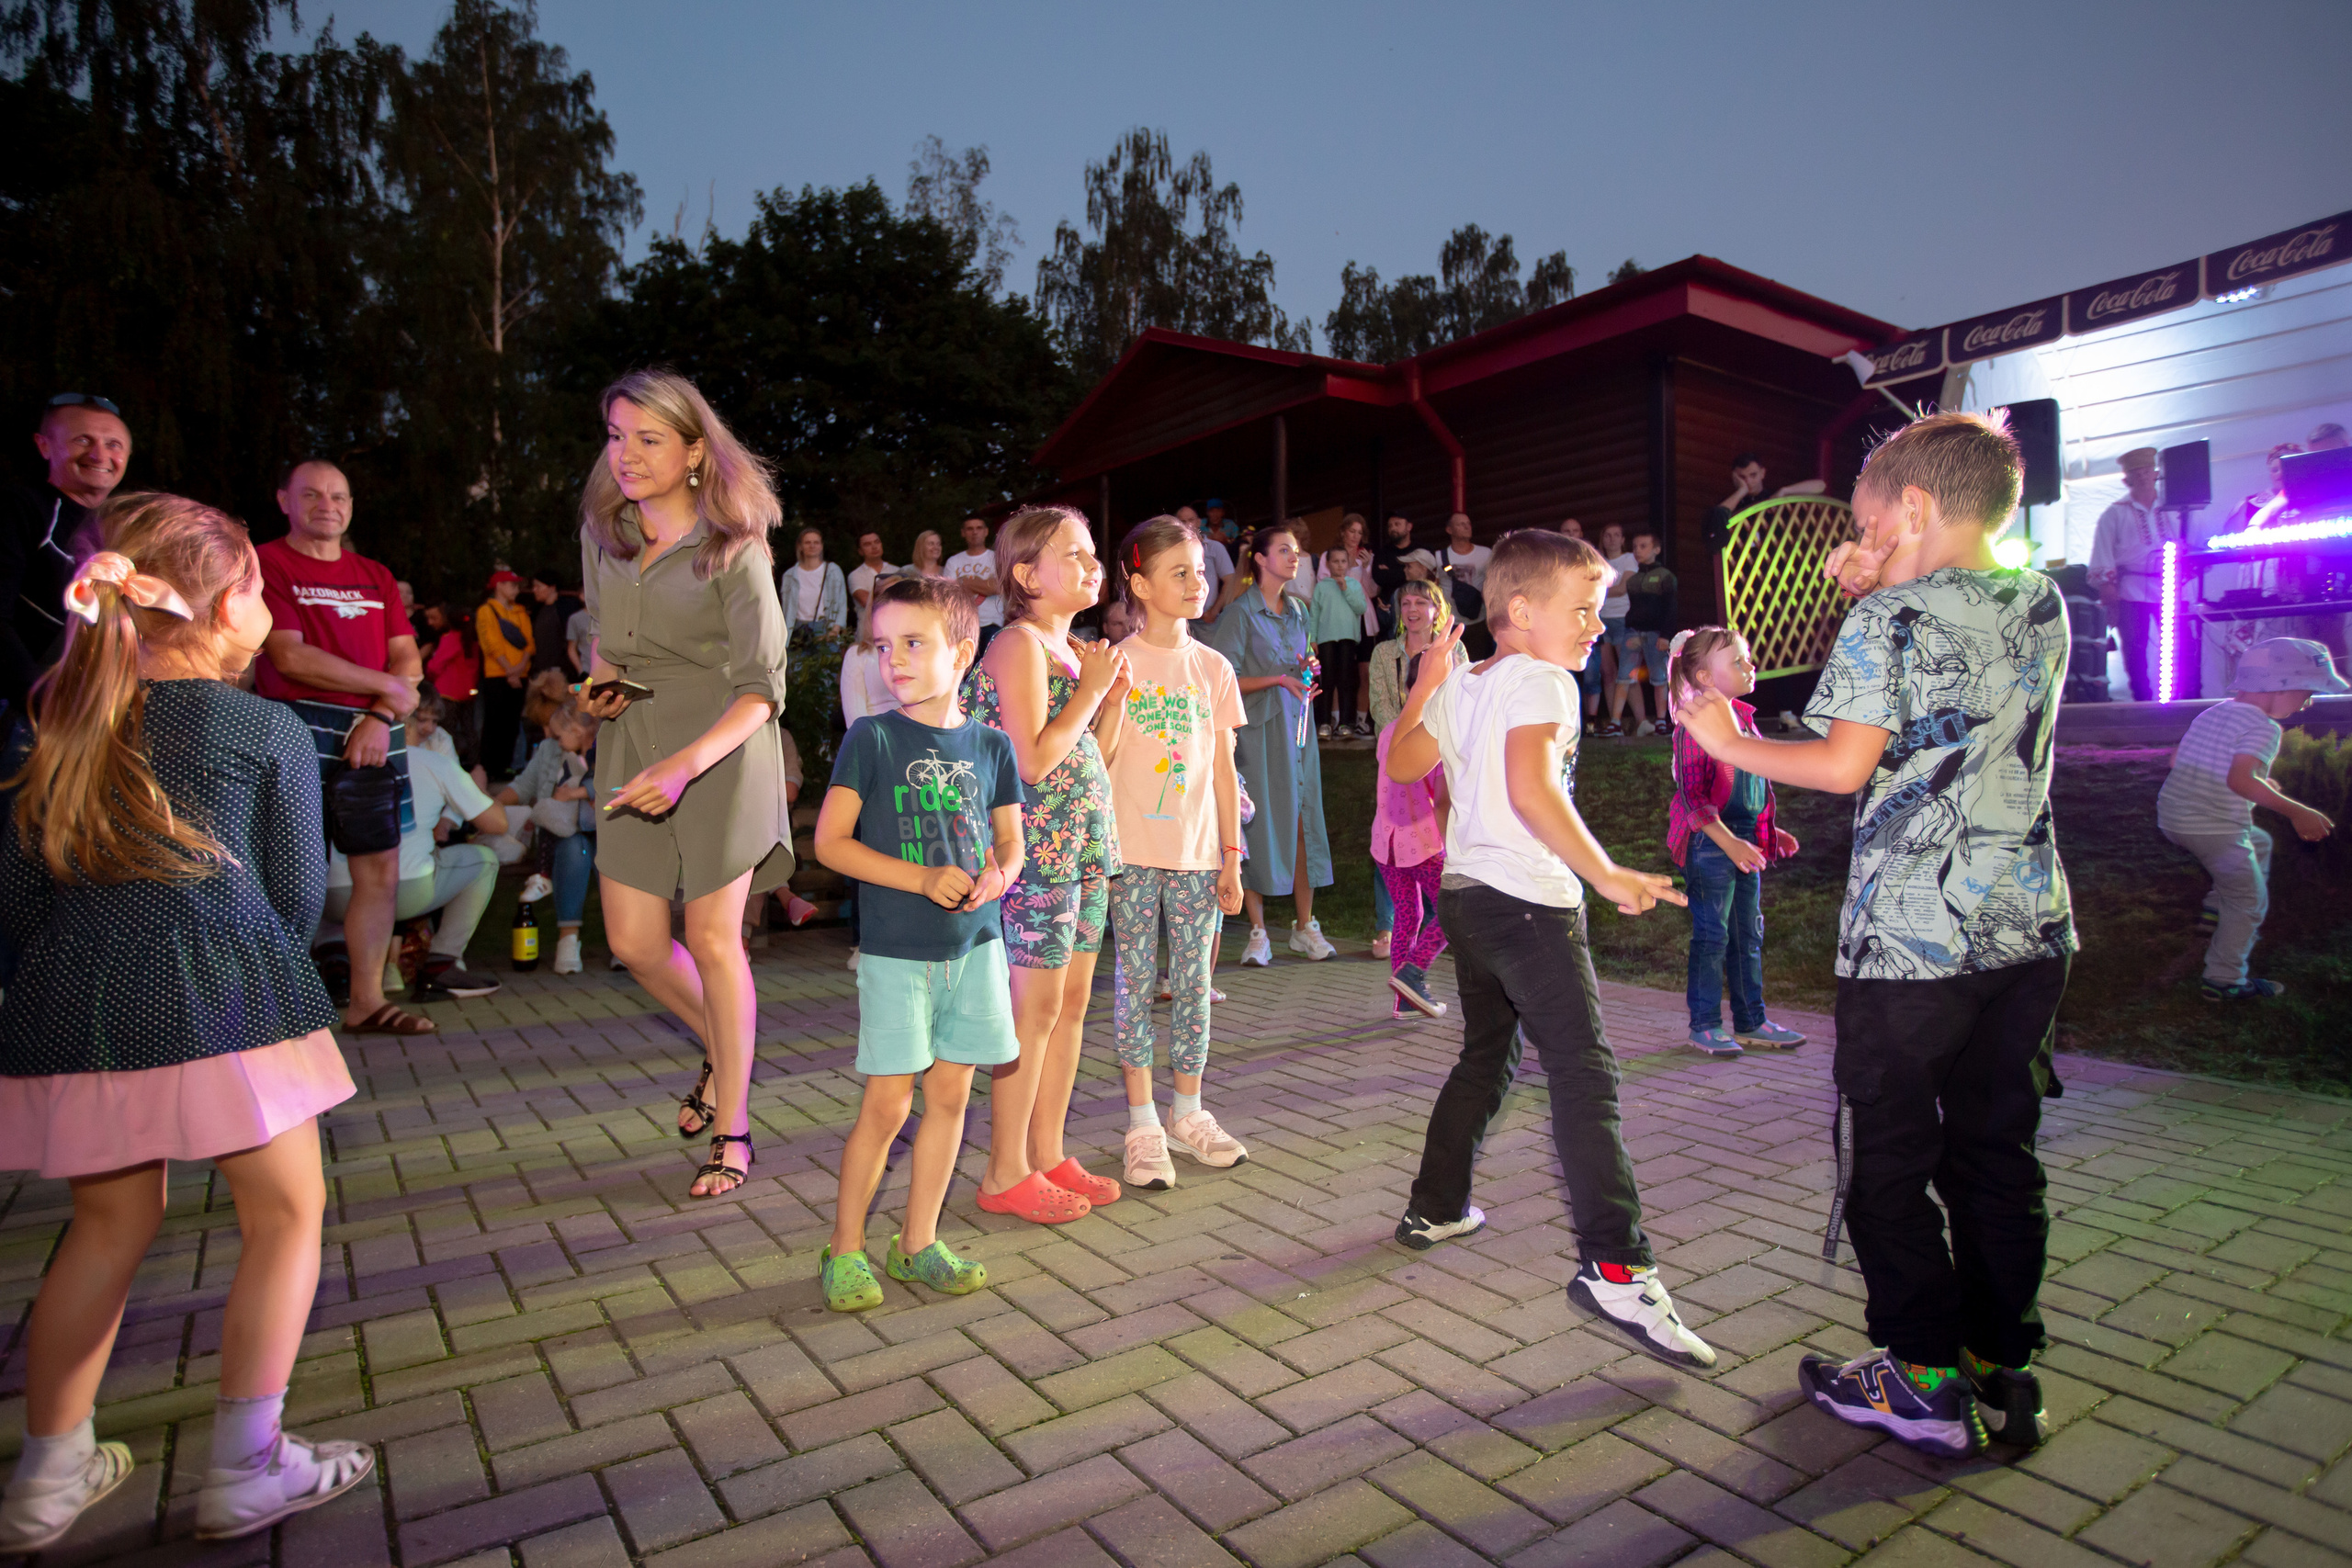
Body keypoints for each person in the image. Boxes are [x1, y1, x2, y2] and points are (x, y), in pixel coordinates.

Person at [1681, 409, 2075, 1459]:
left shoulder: (1885, 623)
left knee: (1888, 1161)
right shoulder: (2041, 601)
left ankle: (1924, 1377)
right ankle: (2003, 1365)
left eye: (1865, 518)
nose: (1850, 542)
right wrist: (1881, 581)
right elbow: (1951, 658)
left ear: (1912, 506)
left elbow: (1844, 764)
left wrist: (1731, 737)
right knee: (1997, 1154)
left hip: (1912, 943)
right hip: (2029, 930)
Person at [0, 499, 372, 1550]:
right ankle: (246, 1468)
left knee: (106, 1228)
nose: (264, 602)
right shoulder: (260, 727)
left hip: (79, 1004)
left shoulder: (61, 724)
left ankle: (45, 1481)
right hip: (228, 994)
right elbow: (299, 898)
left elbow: (19, 903)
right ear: (211, 608)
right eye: (253, 585)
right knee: (287, 1216)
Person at [1384, 529, 1713, 1371]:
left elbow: (1403, 756)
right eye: (1583, 609)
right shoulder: (1543, 680)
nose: (1597, 625)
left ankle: (1435, 1206)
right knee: (1585, 1072)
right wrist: (1603, 873)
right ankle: (1616, 1265)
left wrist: (1427, 686)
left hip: (1468, 902)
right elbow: (1532, 788)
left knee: (1489, 1054)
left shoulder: (1472, 681)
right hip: (1528, 904)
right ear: (1520, 611)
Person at [579, 369, 794, 1200]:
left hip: (721, 753)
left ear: (695, 451)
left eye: (647, 439)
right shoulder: (607, 537)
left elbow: (764, 689)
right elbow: (607, 643)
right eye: (615, 436)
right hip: (633, 746)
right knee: (633, 940)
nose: (625, 455)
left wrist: (684, 765)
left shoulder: (734, 550)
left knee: (712, 938)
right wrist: (594, 692)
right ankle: (725, 1043)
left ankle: (734, 1133)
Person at [813, 575, 1023, 1307]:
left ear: (963, 652)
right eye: (881, 646)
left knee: (951, 1097)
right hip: (898, 955)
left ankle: (917, 1242)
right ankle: (844, 1250)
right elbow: (831, 843)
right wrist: (919, 877)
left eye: (912, 643)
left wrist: (999, 874)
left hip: (976, 949)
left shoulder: (992, 746)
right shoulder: (871, 738)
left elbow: (1010, 845)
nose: (892, 660)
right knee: (887, 1105)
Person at [965, 505, 1128, 1224]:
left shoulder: (1073, 651)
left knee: (1069, 1006)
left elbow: (1095, 758)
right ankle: (1004, 1171)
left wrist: (1109, 702)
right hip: (1036, 856)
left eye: (1094, 553)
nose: (1094, 565)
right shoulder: (1017, 646)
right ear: (1027, 574)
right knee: (1032, 1012)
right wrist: (1091, 693)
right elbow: (1031, 759)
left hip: (1082, 848)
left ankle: (1048, 1151)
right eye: (1076, 553)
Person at [1096, 516, 1248, 1191]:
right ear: (1140, 584)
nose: (1197, 582)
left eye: (1200, 570)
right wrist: (1108, 700)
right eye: (1179, 572)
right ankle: (1142, 1123)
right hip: (1129, 856)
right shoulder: (1114, 661)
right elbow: (1093, 760)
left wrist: (1232, 857)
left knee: (1193, 987)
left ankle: (1188, 1111)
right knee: (1133, 983)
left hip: (1197, 858)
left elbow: (1222, 772)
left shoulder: (1213, 667)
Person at [254, 460, 431, 1036]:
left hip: (376, 727)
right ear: (284, 499)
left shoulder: (374, 574)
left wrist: (380, 714)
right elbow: (288, 656)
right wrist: (385, 687)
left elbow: (409, 660)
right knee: (289, 869)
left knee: (379, 867)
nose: (327, 504)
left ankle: (366, 1001)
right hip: (295, 722)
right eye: (311, 494)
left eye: (339, 495)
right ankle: (272, 1011)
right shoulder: (265, 562)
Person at [2156, 637, 2341, 1000]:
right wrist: (2298, 811)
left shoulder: (2214, 712)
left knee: (2260, 842)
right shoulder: (2264, 728)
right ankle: (2224, 981)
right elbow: (2239, 779)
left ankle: (2214, 909)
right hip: (2213, 828)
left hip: (2174, 817)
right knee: (2249, 903)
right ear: (2279, 687)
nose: (2307, 703)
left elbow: (2179, 761)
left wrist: (2256, 780)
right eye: (2307, 692)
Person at [1663, 627, 1806, 1057]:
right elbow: (1693, 799)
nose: (1750, 666)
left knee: (1749, 934)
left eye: (1748, 659)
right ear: (1705, 677)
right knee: (1712, 935)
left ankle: (1751, 1021)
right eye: (1738, 662)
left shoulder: (1742, 719)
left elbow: (1753, 784)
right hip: (1710, 845)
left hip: (1743, 843)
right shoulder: (1694, 726)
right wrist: (1729, 843)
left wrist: (1766, 833)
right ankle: (1705, 1025)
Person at [322, 691, 509, 1001]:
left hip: (331, 897)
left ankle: (336, 964)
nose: (429, 729)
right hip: (403, 890)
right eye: (421, 720)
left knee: (324, 867)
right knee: (484, 860)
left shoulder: (331, 760)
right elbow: (497, 824)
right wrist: (477, 789)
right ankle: (442, 965)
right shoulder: (433, 761)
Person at [1211, 524, 1336, 966]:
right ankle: (1258, 932)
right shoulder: (1239, 614)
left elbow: (1301, 665)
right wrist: (1279, 679)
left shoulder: (1299, 610)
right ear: (1260, 559)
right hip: (1259, 735)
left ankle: (1305, 927)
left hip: (1298, 730)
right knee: (1261, 827)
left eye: (1297, 551)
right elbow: (1223, 682)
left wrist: (1304, 672)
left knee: (1304, 823)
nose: (1294, 557)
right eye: (1284, 550)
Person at [0, 395, 134, 729]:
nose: (99, 454)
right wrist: (45, 703)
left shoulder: (129, 529)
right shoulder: (20, 509)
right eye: (83, 440)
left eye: (113, 444)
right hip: (31, 717)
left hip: (102, 716)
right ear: (45, 446)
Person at [494, 695, 602, 976]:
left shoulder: (602, 747)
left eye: (554, 732)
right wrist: (489, 807)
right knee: (573, 848)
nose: (549, 737)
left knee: (607, 851)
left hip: (603, 830)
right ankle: (568, 940)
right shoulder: (549, 750)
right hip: (563, 833)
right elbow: (523, 786)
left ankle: (625, 945)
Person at [1373, 686, 1450, 1020]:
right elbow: (1444, 799)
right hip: (1423, 843)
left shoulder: (1390, 730)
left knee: (1409, 915)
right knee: (1452, 911)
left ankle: (1404, 1000)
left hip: (1386, 840)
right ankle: (1413, 972)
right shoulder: (1440, 735)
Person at [2086, 447, 2174, 702]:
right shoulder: (2115, 513)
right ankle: (2143, 702)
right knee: (2135, 650)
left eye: (2147, 471)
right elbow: (2102, 553)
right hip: (2131, 590)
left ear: (2156, 474)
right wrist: (2108, 589)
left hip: (2172, 586)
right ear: (2127, 480)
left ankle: (2187, 699)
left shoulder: (2174, 507)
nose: (2144, 477)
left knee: (2181, 648)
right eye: (2137, 473)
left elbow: (2195, 542)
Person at [1310, 530, 1371, 739]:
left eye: (1343, 561)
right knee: (1327, 680)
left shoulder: (1353, 584)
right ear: (1328, 564)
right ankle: (1325, 722)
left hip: (1347, 639)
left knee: (1346, 681)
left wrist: (1346, 588)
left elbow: (1360, 608)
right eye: (1335, 561)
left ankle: (1346, 723)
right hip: (1326, 639)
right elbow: (1314, 614)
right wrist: (1313, 638)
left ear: (1348, 563)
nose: (1339, 565)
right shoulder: (1321, 587)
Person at [475, 570, 534, 778]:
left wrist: (517, 671)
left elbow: (529, 644)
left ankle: (505, 766)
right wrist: (511, 672)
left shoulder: (520, 611)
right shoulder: (486, 610)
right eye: (512, 584)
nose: (516, 589)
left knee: (511, 723)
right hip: (496, 676)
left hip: (518, 676)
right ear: (499, 585)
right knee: (494, 723)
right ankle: (489, 768)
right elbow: (490, 644)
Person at [1702, 452, 1826, 550]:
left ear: (1762, 473)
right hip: (1742, 569)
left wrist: (1785, 491)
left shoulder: (1774, 496)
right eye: (1742, 477)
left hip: (1776, 565)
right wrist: (1741, 491)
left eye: (1753, 475)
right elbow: (1716, 519)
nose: (1748, 481)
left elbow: (1820, 486)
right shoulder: (1731, 503)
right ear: (1735, 477)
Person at [1619, 528, 1676, 736]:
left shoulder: (1665, 576)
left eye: (1643, 546)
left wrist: (1665, 635)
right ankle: (1616, 722)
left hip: (1656, 634)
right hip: (1634, 632)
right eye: (1635, 547)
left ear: (1657, 549)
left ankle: (1662, 719)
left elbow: (1671, 607)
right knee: (1625, 675)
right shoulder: (1633, 580)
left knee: (1659, 677)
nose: (1637, 550)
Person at [422, 602, 482, 768]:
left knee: (447, 731)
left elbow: (435, 666)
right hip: (467, 692)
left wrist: (430, 675)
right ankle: (474, 763)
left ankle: (449, 763)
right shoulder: (473, 641)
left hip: (448, 692)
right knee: (470, 729)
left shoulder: (451, 639)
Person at [839, 574, 902, 727]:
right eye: (888, 597)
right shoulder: (858, 655)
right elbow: (855, 721)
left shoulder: (922, 651)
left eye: (902, 597)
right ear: (874, 606)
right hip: (875, 742)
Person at [1596, 522, 1637, 736]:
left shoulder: (1628, 559)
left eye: (1616, 535)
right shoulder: (1598, 561)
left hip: (1622, 618)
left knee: (1627, 672)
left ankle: (1642, 721)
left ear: (1623, 540)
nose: (1612, 539)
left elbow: (1623, 589)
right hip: (1601, 620)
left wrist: (1597, 592)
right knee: (1608, 672)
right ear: (1602, 539)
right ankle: (1615, 723)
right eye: (1607, 535)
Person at [781, 526, 850, 644]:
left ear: (821, 546)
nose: (812, 546)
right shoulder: (790, 575)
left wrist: (835, 630)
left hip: (826, 628)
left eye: (816, 542)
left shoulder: (833, 571)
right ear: (800, 546)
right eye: (807, 542)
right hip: (797, 629)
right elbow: (786, 608)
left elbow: (842, 604)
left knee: (827, 662)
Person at [949, 515, 1005, 658]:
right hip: (962, 626)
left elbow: (997, 587)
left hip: (992, 624)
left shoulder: (996, 558)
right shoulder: (953, 561)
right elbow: (949, 594)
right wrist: (984, 584)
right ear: (963, 533)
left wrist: (964, 582)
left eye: (979, 528)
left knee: (990, 672)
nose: (974, 532)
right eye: (970, 529)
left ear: (986, 531)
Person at [528, 570, 585, 682]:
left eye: (538, 586)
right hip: (540, 673)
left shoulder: (567, 610)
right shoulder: (537, 611)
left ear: (552, 587)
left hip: (563, 674)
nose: (534, 590)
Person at [846, 529, 895, 642]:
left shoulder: (897, 571)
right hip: (867, 638)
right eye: (867, 544)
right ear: (860, 551)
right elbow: (867, 601)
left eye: (876, 542)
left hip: (894, 636)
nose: (874, 546)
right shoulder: (856, 575)